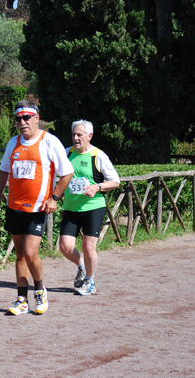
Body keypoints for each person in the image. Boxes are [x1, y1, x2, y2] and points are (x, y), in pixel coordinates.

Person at [0, 100, 74, 315]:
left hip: (38, 208)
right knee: (19, 255)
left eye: (26, 118)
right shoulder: (13, 143)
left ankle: (39, 291)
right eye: (18, 119)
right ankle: (21, 300)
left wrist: (54, 197)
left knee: (30, 252)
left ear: (36, 118)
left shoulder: (50, 141)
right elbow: (3, 171)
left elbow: (67, 172)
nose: (22, 122)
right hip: (14, 206)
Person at [59, 120, 120, 296]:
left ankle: (91, 282)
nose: (75, 138)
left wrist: (97, 187)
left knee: (88, 246)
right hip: (71, 207)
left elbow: (115, 181)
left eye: (79, 135)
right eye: (73, 135)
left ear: (89, 136)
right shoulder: (67, 153)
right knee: (65, 246)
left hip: (93, 207)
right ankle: (82, 266)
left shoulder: (98, 156)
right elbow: (59, 176)